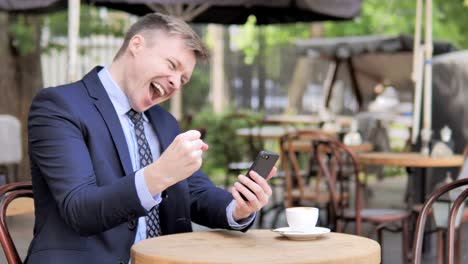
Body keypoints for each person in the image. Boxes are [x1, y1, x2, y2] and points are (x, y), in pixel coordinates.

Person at [26, 13, 276, 264]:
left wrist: (238, 208)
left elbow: (196, 192)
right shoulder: (59, 106)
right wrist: (160, 174)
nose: (176, 83)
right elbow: (79, 209)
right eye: (172, 65)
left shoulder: (165, 122)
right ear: (136, 45)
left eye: (183, 79)